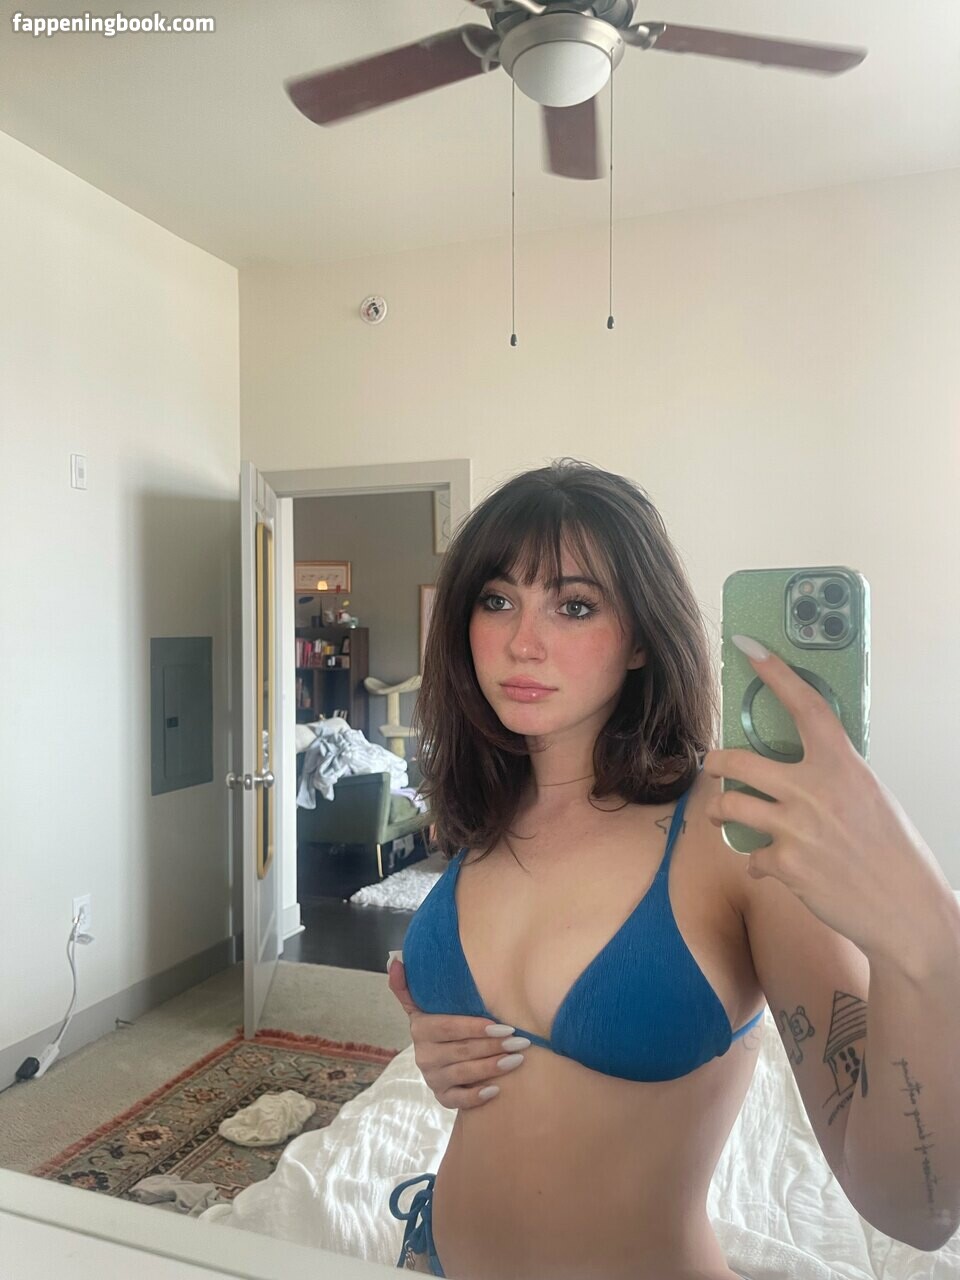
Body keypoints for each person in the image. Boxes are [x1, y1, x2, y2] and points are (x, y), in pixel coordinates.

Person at [386, 459, 960, 1280]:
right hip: (431, 1260)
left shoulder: (734, 829)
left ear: (641, 640)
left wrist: (932, 943)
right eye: (497, 599)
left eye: (574, 605)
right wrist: (437, 1042)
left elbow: (914, 1210)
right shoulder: (483, 810)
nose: (522, 642)